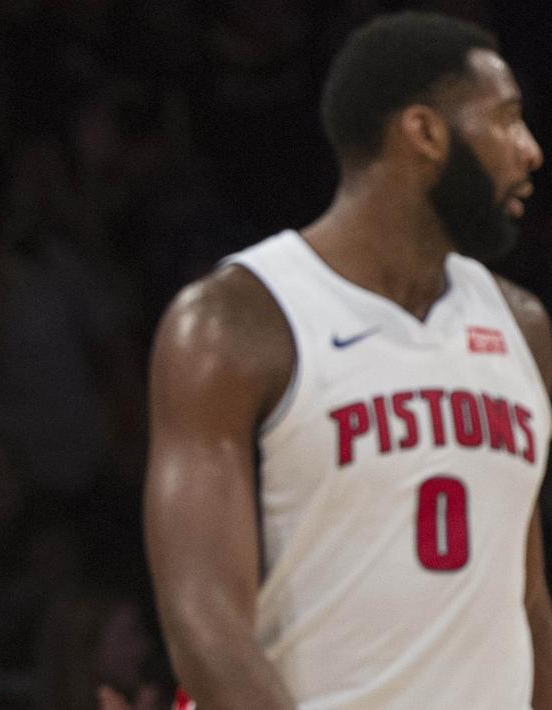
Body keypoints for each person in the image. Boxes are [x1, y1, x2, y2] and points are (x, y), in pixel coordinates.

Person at [145, 11, 551, 710]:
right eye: (506, 119)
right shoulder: (235, 322)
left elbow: (527, 599)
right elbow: (206, 625)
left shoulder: (521, 325)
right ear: (423, 132)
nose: (529, 150)